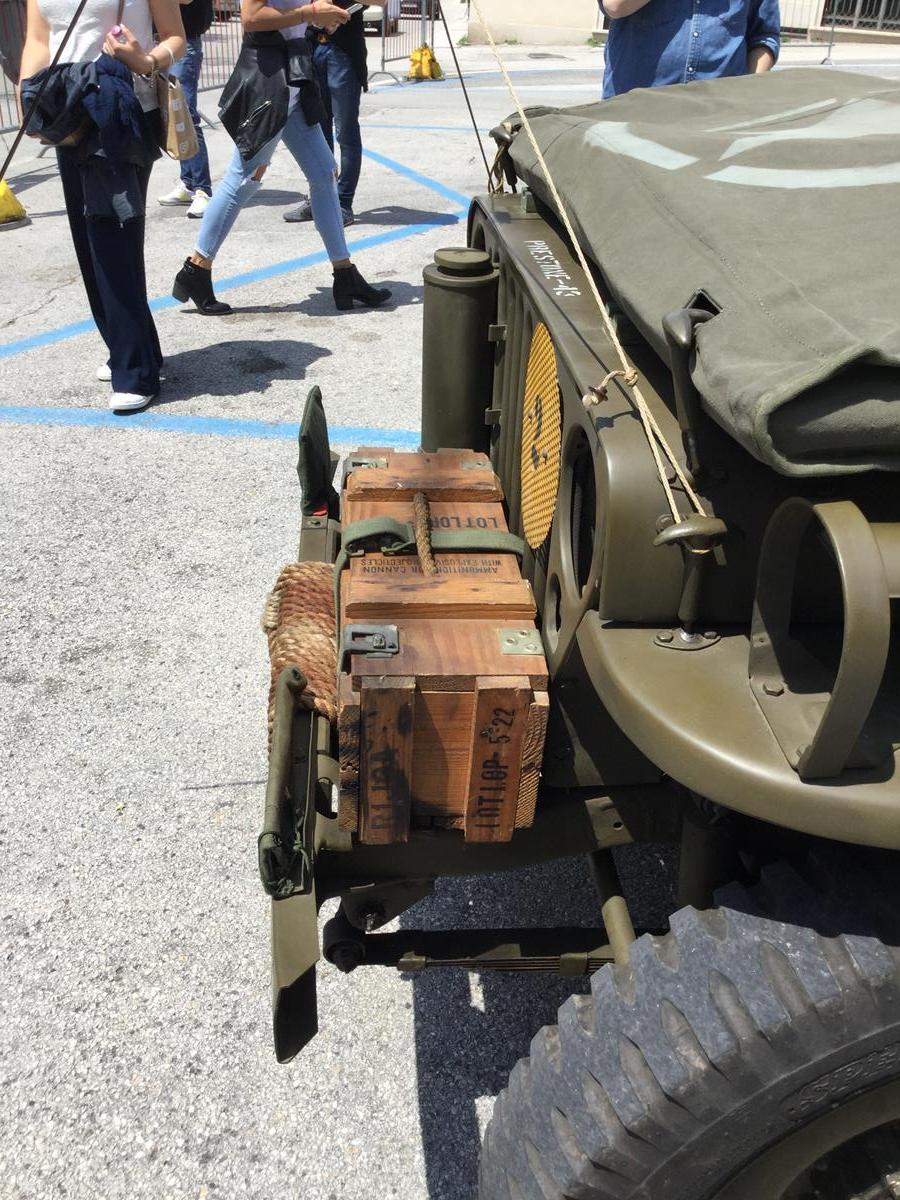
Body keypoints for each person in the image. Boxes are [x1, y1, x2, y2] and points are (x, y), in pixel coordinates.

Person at [171, 0, 391, 315]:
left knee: (324, 174)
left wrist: (318, 17)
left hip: (293, 79)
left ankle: (344, 273)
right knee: (243, 178)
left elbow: (294, 14)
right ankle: (196, 268)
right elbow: (251, 17)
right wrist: (311, 14)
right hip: (270, 81)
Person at [20, 0, 185, 411]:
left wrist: (147, 60)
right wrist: (30, 98)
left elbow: (176, 37)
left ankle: (135, 371)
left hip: (121, 112)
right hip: (67, 110)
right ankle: (132, 349)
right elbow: (38, 39)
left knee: (112, 238)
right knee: (89, 242)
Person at [283, 0, 386, 228]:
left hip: (343, 52)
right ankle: (320, 199)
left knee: (345, 131)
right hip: (312, 46)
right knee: (317, 130)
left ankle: (342, 202)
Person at [600, 0, 779, 99]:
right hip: (635, 108)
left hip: (717, 113)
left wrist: (746, 95)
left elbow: (764, 38)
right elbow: (614, 6)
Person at [157, 0, 214, 217]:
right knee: (175, 115)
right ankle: (188, 182)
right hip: (167, 44)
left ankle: (202, 189)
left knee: (187, 115)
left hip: (185, 43)